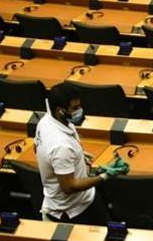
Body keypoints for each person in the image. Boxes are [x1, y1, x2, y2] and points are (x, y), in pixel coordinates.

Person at [34, 82, 126, 224]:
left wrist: (77, 158)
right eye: (75, 108)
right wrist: (105, 175)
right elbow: (69, 186)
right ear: (60, 110)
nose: (80, 110)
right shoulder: (61, 146)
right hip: (72, 212)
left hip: (87, 198)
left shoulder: (46, 121)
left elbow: (37, 148)